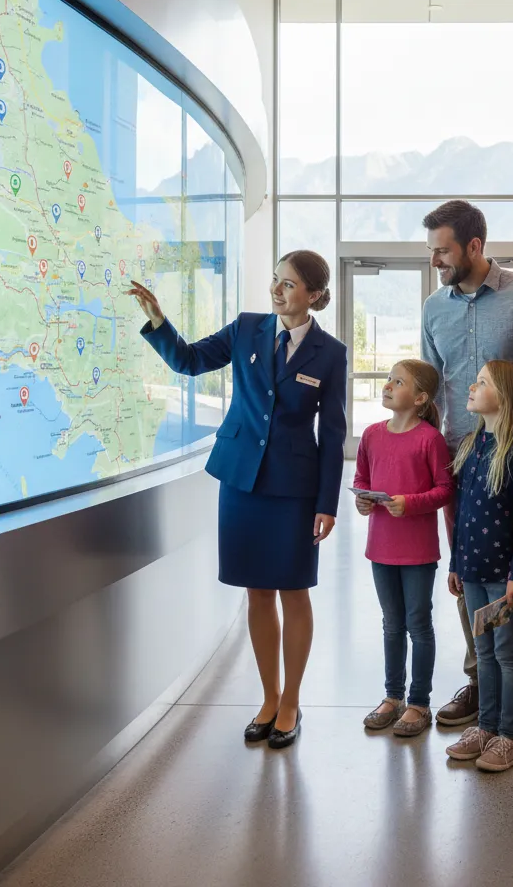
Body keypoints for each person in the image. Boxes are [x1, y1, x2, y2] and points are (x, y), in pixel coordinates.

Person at [128, 250, 347, 751]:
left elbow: (333, 434)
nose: (276, 290)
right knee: (256, 592)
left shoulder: (330, 354)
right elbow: (189, 361)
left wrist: (327, 502)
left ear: (313, 295)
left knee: (294, 591)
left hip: (294, 489)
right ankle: (268, 698)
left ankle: (291, 700)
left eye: (288, 284)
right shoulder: (247, 328)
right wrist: (160, 322)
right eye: (275, 280)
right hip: (241, 482)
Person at [420, 200, 513, 743]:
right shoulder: (434, 308)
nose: (436, 261)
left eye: (443, 250)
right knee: (468, 575)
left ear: (474, 246)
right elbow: (432, 385)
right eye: (432, 251)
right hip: (459, 464)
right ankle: (483, 683)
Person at [443, 360, 513, 773]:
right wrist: (455, 563)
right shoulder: (471, 444)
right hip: (472, 571)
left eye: (482, 383)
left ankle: (511, 736)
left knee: (508, 654)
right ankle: (485, 727)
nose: (471, 386)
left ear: (505, 397)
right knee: (483, 654)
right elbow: (462, 512)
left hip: (505, 577)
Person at [354, 360, 453, 738]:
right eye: (389, 380)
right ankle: (392, 697)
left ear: (420, 397)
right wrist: (363, 500)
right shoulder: (371, 435)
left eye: (399, 382)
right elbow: (362, 478)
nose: (388, 386)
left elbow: (445, 489)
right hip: (380, 546)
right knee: (391, 624)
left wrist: (410, 503)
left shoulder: (430, 439)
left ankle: (419, 703)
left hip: (418, 551)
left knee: (418, 625)